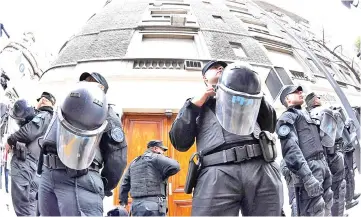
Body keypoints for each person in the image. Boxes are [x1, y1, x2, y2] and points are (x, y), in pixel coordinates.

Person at [169, 61, 283, 216]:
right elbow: (180, 142)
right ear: (204, 78)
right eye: (214, 67)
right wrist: (193, 106)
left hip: (261, 167)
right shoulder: (196, 103)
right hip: (216, 172)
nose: (220, 68)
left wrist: (255, 94)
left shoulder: (249, 97)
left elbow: (269, 126)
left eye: (223, 67)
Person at [38, 79, 127, 216]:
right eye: (84, 81)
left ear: (102, 88)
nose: (85, 84)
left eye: (92, 82)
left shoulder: (106, 112)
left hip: (79, 178)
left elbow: (117, 158)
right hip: (48, 174)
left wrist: (103, 185)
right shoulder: (65, 106)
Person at [276, 85, 333, 216]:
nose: (300, 92)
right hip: (309, 169)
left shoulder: (307, 116)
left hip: (321, 165)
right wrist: (307, 177)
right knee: (315, 209)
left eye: (300, 90)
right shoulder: (287, 117)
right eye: (295, 92)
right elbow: (291, 151)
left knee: (327, 203)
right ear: (288, 99)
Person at [6, 95, 54, 216]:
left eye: (44, 100)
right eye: (39, 99)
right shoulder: (51, 120)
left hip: (25, 164)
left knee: (23, 209)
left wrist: (10, 140)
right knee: (31, 206)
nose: (41, 101)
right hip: (35, 168)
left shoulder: (45, 115)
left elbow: (28, 132)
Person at [305, 92, 345, 216]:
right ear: (314, 101)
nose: (320, 99)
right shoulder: (324, 111)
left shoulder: (307, 116)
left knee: (324, 195)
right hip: (331, 156)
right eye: (318, 97)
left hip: (319, 160)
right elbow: (336, 134)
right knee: (337, 189)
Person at [119, 140, 180, 216]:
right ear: (155, 148)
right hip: (153, 206)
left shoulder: (134, 162)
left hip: (136, 206)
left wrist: (123, 202)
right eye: (162, 150)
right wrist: (165, 173)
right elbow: (176, 166)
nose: (163, 152)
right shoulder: (156, 157)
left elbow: (124, 183)